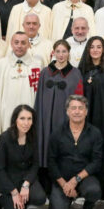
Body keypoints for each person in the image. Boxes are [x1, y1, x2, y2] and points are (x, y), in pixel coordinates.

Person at [34, 41, 84, 187]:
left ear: (69, 53)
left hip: (64, 117)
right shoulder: (45, 72)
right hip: (45, 116)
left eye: (64, 51)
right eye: (58, 51)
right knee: (45, 143)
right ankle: (44, 180)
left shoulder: (75, 73)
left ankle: (60, 180)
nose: (61, 55)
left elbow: (79, 99)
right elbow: (39, 97)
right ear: (53, 52)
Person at [48, 95, 104, 209]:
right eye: (73, 108)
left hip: (85, 178)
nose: (77, 111)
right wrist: (65, 185)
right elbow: (51, 162)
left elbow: (96, 162)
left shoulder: (95, 133)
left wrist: (75, 180)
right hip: (62, 179)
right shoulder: (57, 133)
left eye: (80, 108)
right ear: (67, 111)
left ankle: (88, 206)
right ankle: (67, 199)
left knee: (94, 190)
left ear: (86, 111)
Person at [0, 105, 47, 209]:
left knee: (40, 198)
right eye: (22, 118)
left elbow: (35, 163)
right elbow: (0, 170)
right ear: (15, 120)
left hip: (25, 178)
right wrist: (14, 192)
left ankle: (22, 203)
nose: (26, 123)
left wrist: (26, 185)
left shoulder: (33, 136)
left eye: (29, 119)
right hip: (8, 181)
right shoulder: (5, 138)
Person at [0, 32, 45, 137]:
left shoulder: (37, 64)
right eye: (16, 42)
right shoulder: (2, 64)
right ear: (11, 44)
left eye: (23, 43)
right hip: (7, 108)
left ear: (28, 45)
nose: (19, 46)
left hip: (30, 106)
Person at [78, 36, 104, 138]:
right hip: (85, 112)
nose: (95, 50)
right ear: (88, 49)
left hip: (103, 114)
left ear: (103, 50)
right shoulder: (82, 70)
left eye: (99, 47)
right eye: (92, 47)